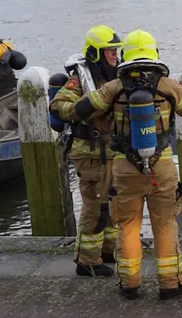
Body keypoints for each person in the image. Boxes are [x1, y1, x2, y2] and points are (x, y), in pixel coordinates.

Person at [69, 29, 182, 300]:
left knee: (128, 225)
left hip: (124, 168)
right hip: (160, 167)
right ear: (154, 54)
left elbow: (83, 109)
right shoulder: (166, 84)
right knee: (164, 224)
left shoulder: (115, 87)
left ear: (126, 55)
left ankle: (129, 284)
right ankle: (171, 284)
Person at [50, 25, 123, 277]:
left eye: (115, 51)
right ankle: (86, 261)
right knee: (95, 207)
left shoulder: (116, 75)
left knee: (113, 205)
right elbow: (58, 104)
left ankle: (107, 250)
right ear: (95, 54)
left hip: (111, 151)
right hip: (90, 153)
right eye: (109, 51)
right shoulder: (81, 79)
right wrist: (84, 107)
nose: (114, 55)